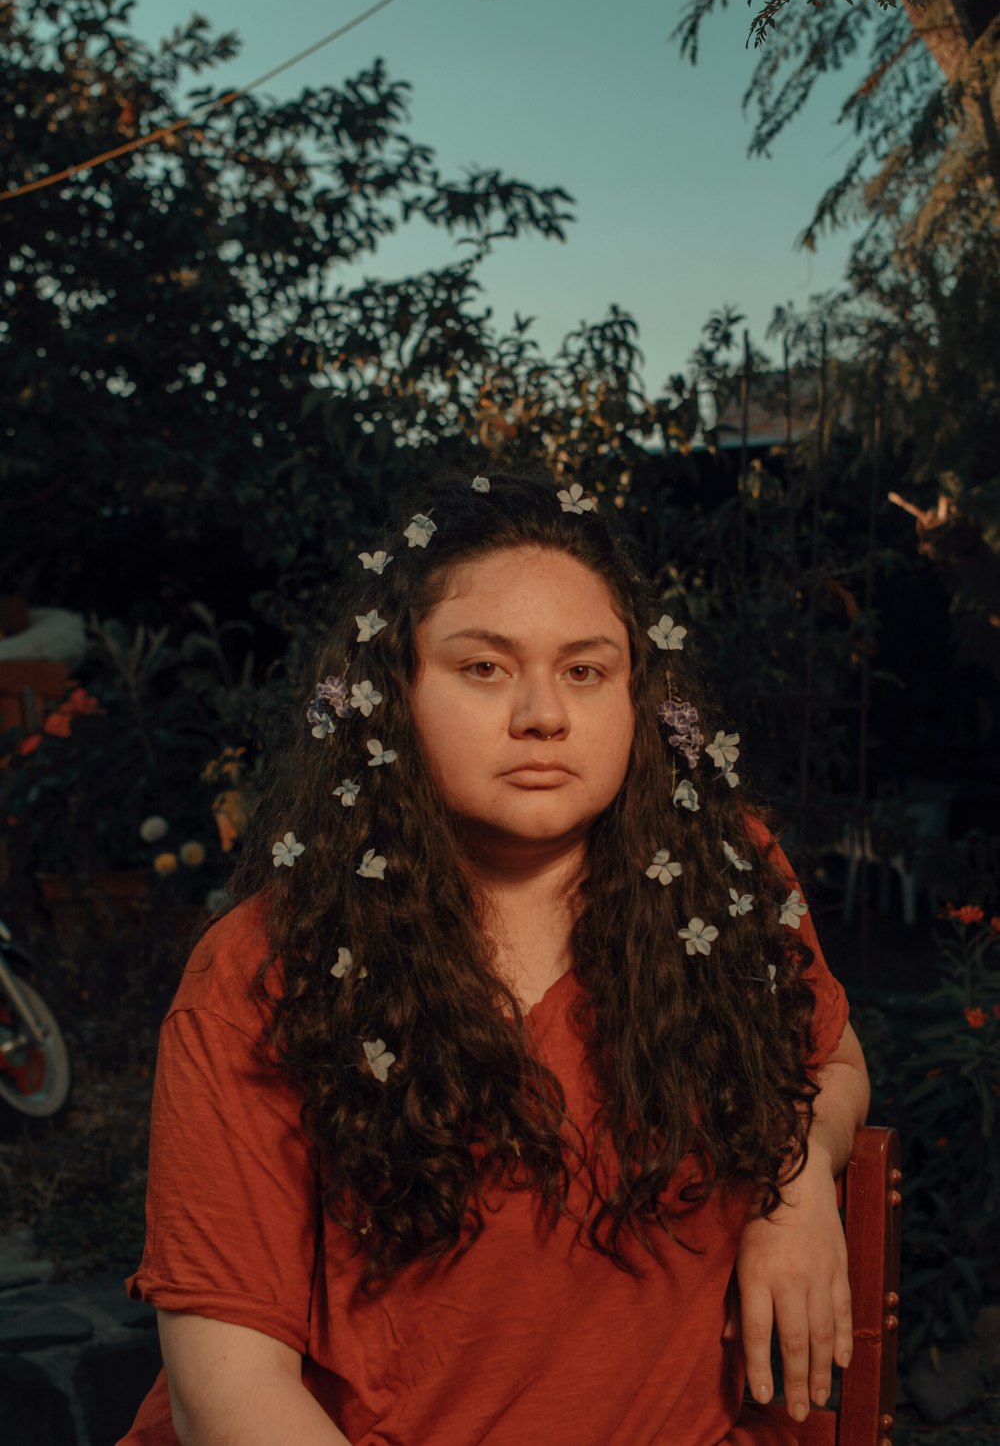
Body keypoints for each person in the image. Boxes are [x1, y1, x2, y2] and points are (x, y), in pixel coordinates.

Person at [120, 465, 869, 1446]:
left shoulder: (722, 880)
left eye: (585, 670)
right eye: (483, 668)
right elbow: (227, 1391)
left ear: (636, 698)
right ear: (392, 697)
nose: (542, 716)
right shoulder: (266, 969)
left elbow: (835, 1060)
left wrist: (797, 1167)